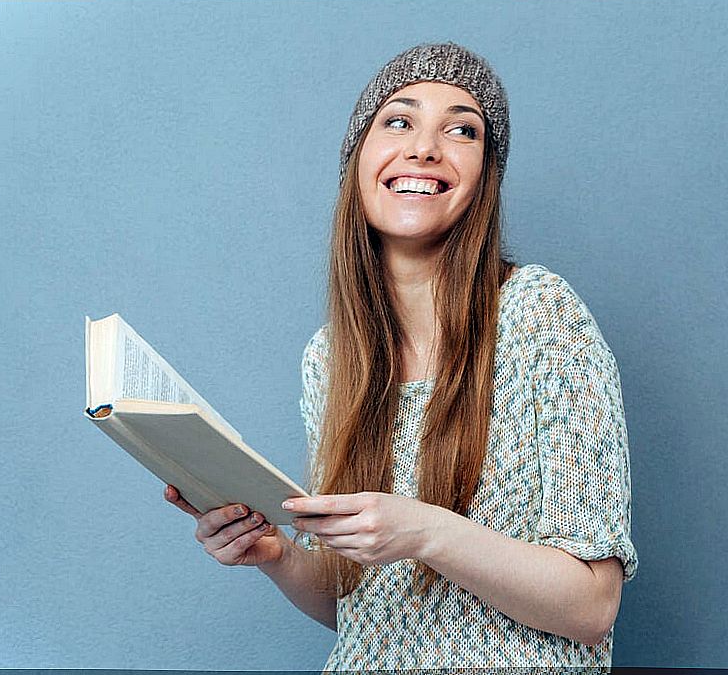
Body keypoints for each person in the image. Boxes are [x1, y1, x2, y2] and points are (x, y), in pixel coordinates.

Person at [164, 42, 638, 671]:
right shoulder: (330, 358)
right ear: (358, 159)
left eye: (462, 129)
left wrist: (423, 530)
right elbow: (363, 609)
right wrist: (276, 555)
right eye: (399, 120)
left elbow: (590, 605)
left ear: (483, 180)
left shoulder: (539, 315)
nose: (424, 147)